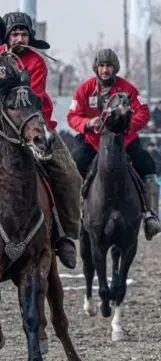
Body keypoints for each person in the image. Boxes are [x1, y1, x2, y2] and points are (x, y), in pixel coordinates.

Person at [1, 11, 82, 268]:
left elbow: (29, 99)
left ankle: (66, 235)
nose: (20, 38)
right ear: (7, 36)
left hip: (34, 125)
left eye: (24, 34)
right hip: (1, 127)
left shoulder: (36, 62)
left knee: (70, 174)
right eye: (15, 33)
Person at [67, 48, 161, 240]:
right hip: (92, 143)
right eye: (101, 66)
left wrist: (127, 126)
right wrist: (86, 123)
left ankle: (150, 216)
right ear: (96, 68)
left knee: (147, 164)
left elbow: (143, 112)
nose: (105, 70)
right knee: (73, 165)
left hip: (124, 142)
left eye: (109, 66)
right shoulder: (84, 89)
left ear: (115, 68)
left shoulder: (128, 89)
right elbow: (72, 116)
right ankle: (73, 215)